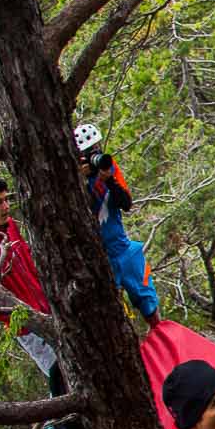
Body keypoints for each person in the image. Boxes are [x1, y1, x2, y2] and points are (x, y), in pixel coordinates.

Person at [0, 176, 64, 393]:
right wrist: (18, 317)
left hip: (50, 310)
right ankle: (57, 426)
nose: (5, 207)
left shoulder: (11, 226)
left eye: (6, 200)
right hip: (29, 328)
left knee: (76, 366)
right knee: (59, 376)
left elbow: (27, 259)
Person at [74, 123, 160, 322]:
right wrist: (82, 180)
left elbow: (126, 203)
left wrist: (109, 180)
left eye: (97, 147)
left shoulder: (109, 167)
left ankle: (163, 343)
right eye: (89, 151)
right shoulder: (73, 180)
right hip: (99, 257)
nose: (95, 154)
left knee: (149, 303)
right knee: (112, 317)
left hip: (123, 247)